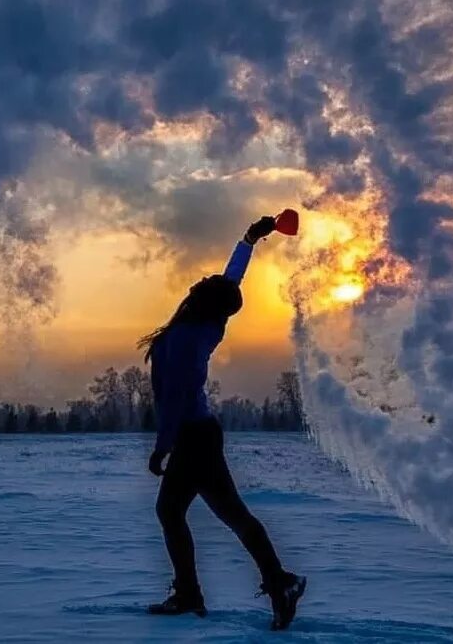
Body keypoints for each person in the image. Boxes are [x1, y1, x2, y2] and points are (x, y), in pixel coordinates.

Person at [139, 214, 306, 631]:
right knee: (226, 513)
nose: (194, 285)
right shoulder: (208, 326)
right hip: (202, 434)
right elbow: (231, 281)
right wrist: (249, 240)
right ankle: (276, 581)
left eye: (198, 287)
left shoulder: (186, 337)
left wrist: (163, 446)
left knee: (174, 510)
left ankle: (195, 593)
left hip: (193, 435)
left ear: (199, 299)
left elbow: (175, 399)